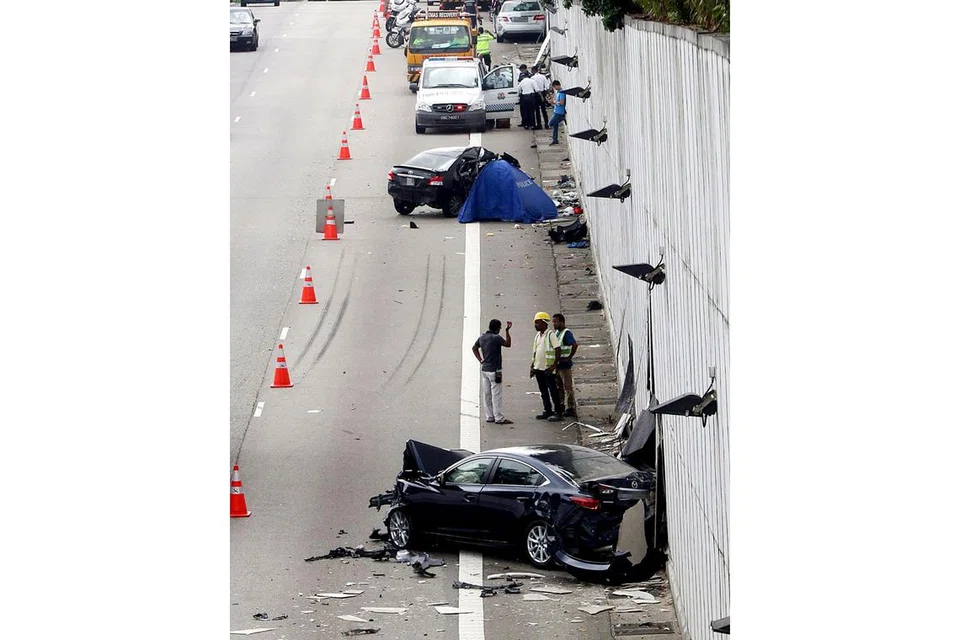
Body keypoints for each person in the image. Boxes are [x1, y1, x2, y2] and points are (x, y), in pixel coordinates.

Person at [472, 319, 513, 424]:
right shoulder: (496, 338)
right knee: (496, 394)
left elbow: (474, 348)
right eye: (500, 327)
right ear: (497, 328)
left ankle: (489, 416)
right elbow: (508, 344)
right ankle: (499, 417)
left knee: (487, 394)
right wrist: (507, 331)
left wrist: (481, 360)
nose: (500, 329)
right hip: (495, 370)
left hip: (485, 370)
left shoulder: (482, 337)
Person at [530, 312, 564, 421]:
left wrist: (554, 366)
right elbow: (535, 352)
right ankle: (547, 410)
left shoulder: (550, 335)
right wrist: (532, 367)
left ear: (544, 323)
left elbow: (558, 349)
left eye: (538, 323)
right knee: (543, 391)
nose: (536, 325)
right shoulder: (537, 336)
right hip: (538, 369)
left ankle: (558, 412)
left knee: (553, 391)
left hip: (548, 369)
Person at [552, 313, 579, 418]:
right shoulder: (557, 332)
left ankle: (570, 407)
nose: (554, 323)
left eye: (556, 321)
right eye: (553, 321)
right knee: (559, 386)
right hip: (558, 364)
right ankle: (562, 404)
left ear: (562, 322)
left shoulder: (566, 333)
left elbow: (574, 345)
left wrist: (569, 357)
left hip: (565, 364)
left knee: (567, 386)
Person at [531, 65, 550, 130]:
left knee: (537, 111)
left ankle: (539, 125)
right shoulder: (543, 77)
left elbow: (533, 88)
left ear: (534, 70)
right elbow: (547, 87)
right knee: (544, 110)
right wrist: (548, 95)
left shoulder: (532, 78)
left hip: (536, 94)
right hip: (543, 93)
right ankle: (546, 124)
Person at [548, 79, 566, 145]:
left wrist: (554, 102)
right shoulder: (559, 92)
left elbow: (561, 102)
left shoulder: (561, 92)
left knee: (550, 123)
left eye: (555, 87)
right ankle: (555, 139)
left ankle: (562, 119)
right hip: (557, 111)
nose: (555, 89)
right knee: (555, 126)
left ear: (557, 85)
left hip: (559, 112)